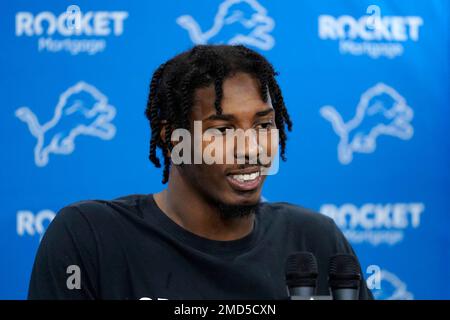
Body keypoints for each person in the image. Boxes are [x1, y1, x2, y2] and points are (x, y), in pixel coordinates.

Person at [28, 44, 373, 300]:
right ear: (173, 141)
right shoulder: (89, 237)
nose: (251, 148)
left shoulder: (315, 239)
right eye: (222, 130)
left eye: (263, 124)